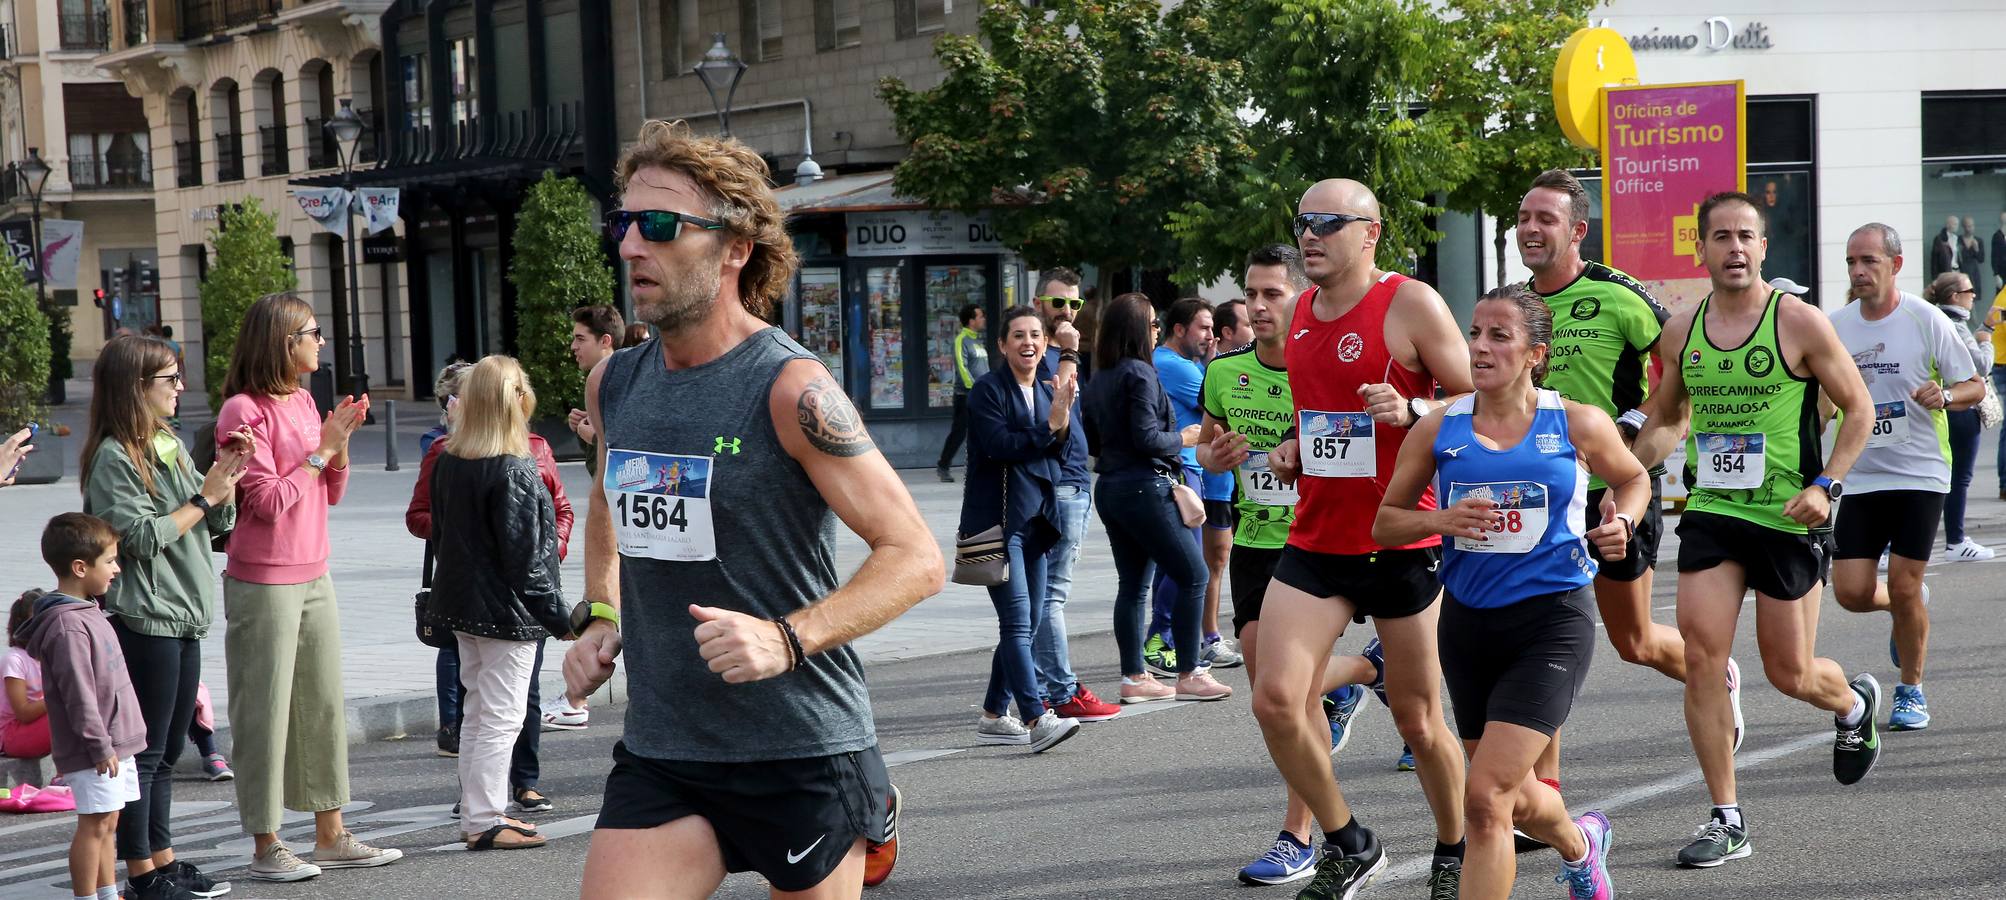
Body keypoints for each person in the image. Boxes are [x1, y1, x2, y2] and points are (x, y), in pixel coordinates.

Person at [563, 120, 942, 898]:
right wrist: (604, 610)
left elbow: (916, 556)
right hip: (667, 749)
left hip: (799, 746)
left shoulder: (791, 389)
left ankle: (870, 801)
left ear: (735, 248)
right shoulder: (615, 385)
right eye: (625, 223)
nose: (633, 244)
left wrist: (786, 638)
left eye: (661, 225)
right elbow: (610, 500)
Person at [1633, 191, 1883, 869]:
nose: (1735, 248)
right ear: (1702, 247)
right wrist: (1624, 476)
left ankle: (1852, 704)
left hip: (1787, 514)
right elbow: (1665, 418)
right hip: (1714, 511)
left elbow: (1858, 408)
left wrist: (1826, 487)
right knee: (1703, 655)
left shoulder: (1797, 321)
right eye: (1721, 236)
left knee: (1791, 672)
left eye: (1747, 236)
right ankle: (1726, 815)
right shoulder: (1682, 332)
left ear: (1764, 247)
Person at [1374, 284, 1647, 900]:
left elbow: (1631, 479)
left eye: (1499, 336)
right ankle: (1581, 844)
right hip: (1469, 623)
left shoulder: (1574, 420)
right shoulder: (1440, 427)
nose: (1479, 347)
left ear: (1535, 354)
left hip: (1552, 619)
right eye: (1475, 333)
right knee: (1515, 798)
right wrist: (1439, 521)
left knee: (1485, 798)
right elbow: (1386, 522)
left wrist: (1621, 520)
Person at [1255, 178, 1472, 900]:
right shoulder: (1299, 315)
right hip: (1318, 537)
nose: (1309, 235)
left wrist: (1413, 406)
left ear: (1370, 232)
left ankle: (1454, 845)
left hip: (1401, 538)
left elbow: (1482, 402)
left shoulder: (1408, 303)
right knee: (1276, 701)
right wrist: (1290, 446)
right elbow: (1313, 418)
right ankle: (1348, 841)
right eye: (1302, 222)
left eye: (1327, 222)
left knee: (1418, 718)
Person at [1514, 169, 1744, 825]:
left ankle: (1714, 677)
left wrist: (1635, 440)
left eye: (1546, 219)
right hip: (1535, 501)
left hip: (1612, 493)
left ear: (1576, 231)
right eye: (1525, 216)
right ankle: (1545, 797)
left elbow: (1681, 370)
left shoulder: (1619, 296)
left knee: (1635, 641)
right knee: (1539, 638)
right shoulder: (1512, 304)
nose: (1531, 228)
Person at [1199, 244, 1381, 886]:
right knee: (1270, 696)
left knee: (1298, 695)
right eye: (1250, 294)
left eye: (1272, 293)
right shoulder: (1223, 373)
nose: (1257, 306)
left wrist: (1305, 452)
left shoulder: (1323, 358)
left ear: (1302, 296)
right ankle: (1365, 670)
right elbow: (1208, 445)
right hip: (1257, 542)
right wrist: (1217, 458)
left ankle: (1300, 833)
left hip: (1323, 543)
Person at [216, 293, 400, 881]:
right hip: (263, 579)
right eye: (312, 332)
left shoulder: (301, 399)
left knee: (321, 707)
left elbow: (330, 492)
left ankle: (331, 834)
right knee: (264, 712)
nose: (321, 341)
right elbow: (266, 502)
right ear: (283, 341)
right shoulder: (242, 411)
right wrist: (322, 450)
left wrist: (338, 445)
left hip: (314, 570)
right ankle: (266, 844)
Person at [79, 335, 249, 900]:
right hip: (147, 613)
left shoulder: (167, 441)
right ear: (136, 387)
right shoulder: (114, 457)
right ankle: (141, 874)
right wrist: (204, 500)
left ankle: (164, 858)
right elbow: (142, 538)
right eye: (169, 379)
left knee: (170, 749)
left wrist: (226, 479)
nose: (181, 388)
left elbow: (205, 524)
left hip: (183, 610)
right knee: (146, 753)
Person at [1827, 230, 1983, 739]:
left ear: (1895, 263)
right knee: (1850, 592)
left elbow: (1975, 385)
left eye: (1868, 260)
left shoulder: (1925, 317)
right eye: (1851, 261)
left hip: (1920, 472)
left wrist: (1946, 394)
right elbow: (1823, 397)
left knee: (1904, 581)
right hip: (1862, 474)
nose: (1858, 270)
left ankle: (1910, 688)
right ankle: (1907, 607)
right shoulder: (1836, 327)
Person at [408, 360, 577, 811]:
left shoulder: (450, 459)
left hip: (464, 606)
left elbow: (438, 534)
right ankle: (486, 818)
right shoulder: (513, 467)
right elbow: (527, 564)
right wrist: (564, 621)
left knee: (479, 713)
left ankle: (476, 809)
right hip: (508, 613)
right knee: (502, 718)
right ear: (515, 399)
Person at [1082, 292, 1235, 706]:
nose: (1156, 331)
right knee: (1193, 574)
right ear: (1137, 330)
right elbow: (1148, 438)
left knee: (1132, 584)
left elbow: (1093, 438)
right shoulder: (1139, 373)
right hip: (1145, 485)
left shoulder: (1101, 376)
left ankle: (1135, 676)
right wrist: (1184, 437)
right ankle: (1190, 671)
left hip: (1112, 485)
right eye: (1151, 324)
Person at [961, 306, 1084, 752]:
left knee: (1028, 625)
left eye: (1035, 335)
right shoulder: (987, 391)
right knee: (1016, 624)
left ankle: (995, 713)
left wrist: (1060, 418)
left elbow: (1061, 450)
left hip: (1036, 522)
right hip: (998, 523)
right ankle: (1036, 717)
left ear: (1045, 344)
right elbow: (999, 447)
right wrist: (1050, 424)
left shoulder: (1048, 389)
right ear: (1002, 345)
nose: (1028, 342)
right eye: (1018, 336)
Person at [20, 513, 145, 900]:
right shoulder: (67, 625)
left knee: (109, 821)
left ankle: (108, 894)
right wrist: (99, 744)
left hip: (113, 743)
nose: (116, 568)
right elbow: (79, 693)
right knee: (94, 825)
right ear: (80, 567)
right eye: (109, 561)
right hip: (96, 749)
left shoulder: (87, 610)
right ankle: (87, 897)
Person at [1029, 268, 1120, 723]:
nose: (1067, 312)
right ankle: (1059, 689)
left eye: (1074, 304)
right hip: (1060, 484)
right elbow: (1055, 413)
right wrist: (1069, 348)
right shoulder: (1043, 353)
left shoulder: (1061, 354)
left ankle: (1037, 690)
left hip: (1074, 480)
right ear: (1038, 301)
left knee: (1042, 596)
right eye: (1058, 302)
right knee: (1051, 596)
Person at [1146, 298, 1242, 672]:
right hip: (1188, 472)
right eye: (1203, 328)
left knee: (1182, 564)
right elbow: (1228, 404)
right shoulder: (1173, 366)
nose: (1210, 335)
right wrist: (1216, 366)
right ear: (1180, 329)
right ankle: (1162, 638)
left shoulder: (1186, 364)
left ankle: (1170, 639)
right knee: (1190, 565)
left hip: (1193, 474)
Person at [1925, 271, 1994, 562]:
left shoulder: (1933, 320)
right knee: (1958, 479)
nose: (1973, 295)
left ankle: (1953, 539)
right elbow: (1981, 366)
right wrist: (1986, 336)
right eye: (1969, 290)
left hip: (1947, 407)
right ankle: (1955, 541)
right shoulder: (1956, 325)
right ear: (1954, 296)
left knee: (1944, 478)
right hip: (1960, 408)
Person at [568, 305, 627, 477]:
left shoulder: (625, 381)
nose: (573, 346)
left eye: (580, 339)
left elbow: (635, 449)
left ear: (605, 341)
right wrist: (583, 426)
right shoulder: (598, 379)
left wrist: (595, 437)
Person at [936, 303, 989, 483]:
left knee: (983, 431)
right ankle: (943, 465)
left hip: (981, 394)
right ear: (971, 320)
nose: (983, 319)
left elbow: (984, 368)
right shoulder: (962, 340)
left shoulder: (977, 341)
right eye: (980, 316)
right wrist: (975, 389)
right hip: (966, 395)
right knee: (959, 432)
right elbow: (962, 368)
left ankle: (982, 467)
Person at [4, 591, 53, 768]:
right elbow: (23, 714)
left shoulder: (49, 656)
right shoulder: (15, 660)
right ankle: (63, 776)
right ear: (22, 626)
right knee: (65, 713)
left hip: (38, 725)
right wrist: (57, 696)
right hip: (11, 733)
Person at [1959, 216, 1987, 288]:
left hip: (1973, 272)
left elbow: (1981, 260)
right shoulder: (1958, 240)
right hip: (1960, 271)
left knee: (1973, 295)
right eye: (1966, 226)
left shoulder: (1978, 240)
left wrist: (1976, 249)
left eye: (1971, 226)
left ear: (1974, 226)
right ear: (1963, 227)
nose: (1968, 229)